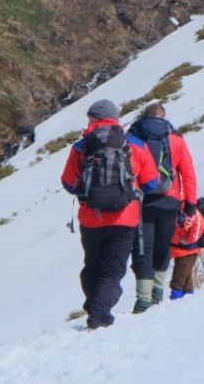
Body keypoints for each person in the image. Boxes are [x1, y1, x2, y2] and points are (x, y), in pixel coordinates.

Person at [61, 100, 159, 330]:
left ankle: (96, 307)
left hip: (91, 219)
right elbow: (152, 182)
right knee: (112, 271)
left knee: (92, 267)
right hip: (125, 218)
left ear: (94, 119)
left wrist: (87, 191)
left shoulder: (81, 146)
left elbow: (68, 182)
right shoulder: (133, 143)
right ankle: (100, 313)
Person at [126, 103, 197, 313]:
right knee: (163, 247)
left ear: (144, 117)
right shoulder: (176, 139)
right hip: (170, 201)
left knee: (142, 248)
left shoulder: (134, 138)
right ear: (164, 117)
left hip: (141, 202)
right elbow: (188, 173)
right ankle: (157, 292)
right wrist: (190, 205)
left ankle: (143, 299)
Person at [169, 202, 204, 299]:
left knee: (179, 277)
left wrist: (189, 241)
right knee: (185, 276)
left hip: (188, 250)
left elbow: (198, 225)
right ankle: (188, 296)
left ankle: (176, 297)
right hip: (180, 249)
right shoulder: (178, 208)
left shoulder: (191, 210)